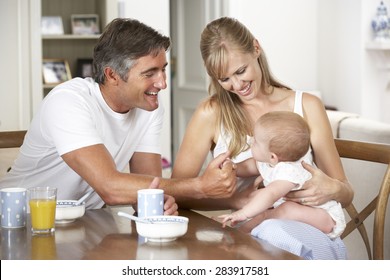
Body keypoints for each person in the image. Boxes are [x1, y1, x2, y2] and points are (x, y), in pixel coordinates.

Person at [0, 18, 237, 213]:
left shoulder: (149, 106)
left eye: (163, 69)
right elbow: (110, 187)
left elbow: (148, 187)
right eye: (150, 73)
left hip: (87, 221)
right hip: (20, 219)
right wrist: (200, 187)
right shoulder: (69, 101)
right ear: (112, 75)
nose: (163, 83)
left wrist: (157, 203)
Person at [171, 17, 353, 259]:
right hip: (252, 241)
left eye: (241, 71)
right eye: (224, 79)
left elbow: (347, 193)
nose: (237, 85)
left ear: (256, 49)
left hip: (308, 235)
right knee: (260, 236)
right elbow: (178, 194)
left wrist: (332, 188)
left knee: (270, 231)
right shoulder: (211, 113)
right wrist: (236, 199)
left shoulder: (306, 105)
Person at [219, 111, 346, 240]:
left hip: (324, 217)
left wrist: (243, 213)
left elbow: (270, 194)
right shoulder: (268, 162)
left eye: (255, 141)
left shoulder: (290, 170)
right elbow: (246, 167)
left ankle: (241, 233)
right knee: (264, 215)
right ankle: (239, 234)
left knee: (283, 209)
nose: (251, 141)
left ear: (273, 156)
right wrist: (231, 167)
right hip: (295, 213)